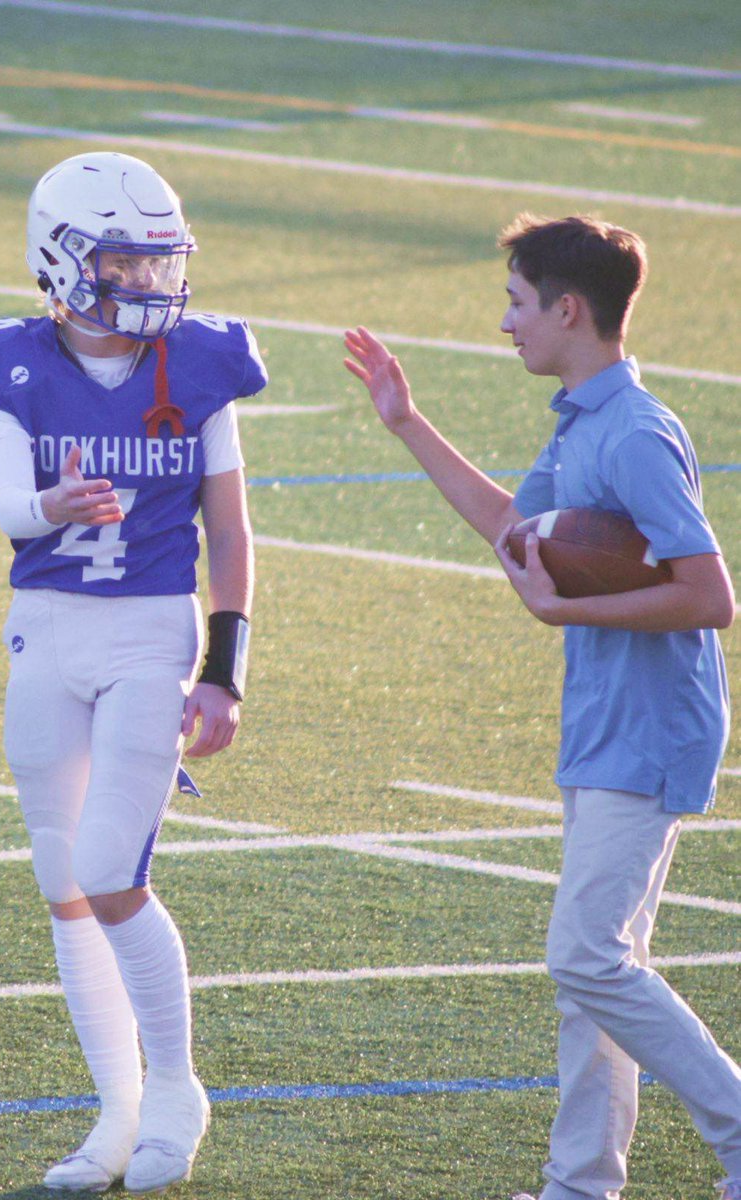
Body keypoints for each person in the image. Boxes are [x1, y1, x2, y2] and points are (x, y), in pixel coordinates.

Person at [343, 214, 740, 1200]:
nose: (504, 323)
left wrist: (570, 603)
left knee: (586, 957)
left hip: (649, 732)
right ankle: (578, 1187)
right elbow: (512, 532)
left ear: (569, 310)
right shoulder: (581, 422)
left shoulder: (636, 433)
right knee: (596, 968)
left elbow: (709, 596)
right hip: (602, 725)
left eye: (516, 304)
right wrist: (403, 418)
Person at [0, 151, 267, 1194]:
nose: (150, 283)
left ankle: (173, 1089)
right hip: (45, 628)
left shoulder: (205, 361)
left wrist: (224, 670)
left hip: (148, 633)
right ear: (63, 259)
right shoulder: (2, 361)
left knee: (112, 868)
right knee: (62, 883)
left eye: (159, 261)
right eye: (125, 261)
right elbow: (5, 507)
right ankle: (114, 1116)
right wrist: (55, 505)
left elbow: (230, 526)